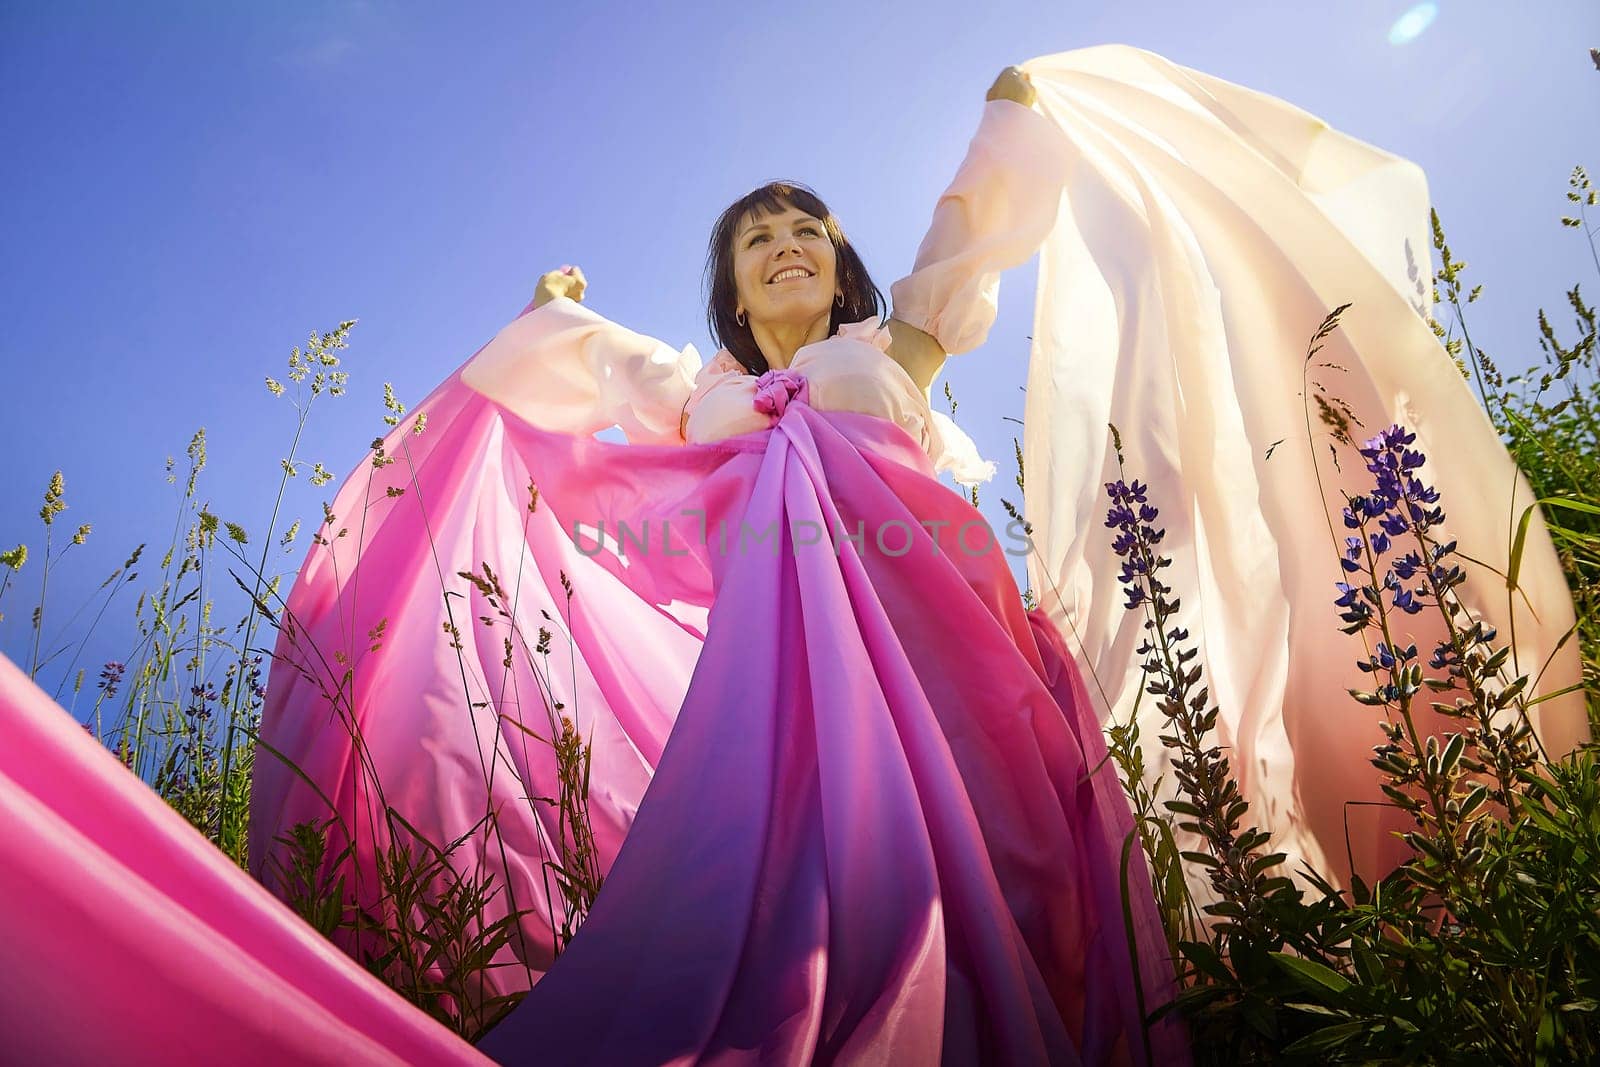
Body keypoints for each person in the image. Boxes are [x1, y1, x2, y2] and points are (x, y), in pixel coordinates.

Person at [250, 61, 1188, 1065]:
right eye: (758, 239)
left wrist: (1011, 116)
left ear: (837, 262)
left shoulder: (895, 344)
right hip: (787, 668)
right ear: (734, 290)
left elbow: (968, 231)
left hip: (939, 630)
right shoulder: (698, 400)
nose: (786, 245)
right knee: (812, 884)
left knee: (1001, 851)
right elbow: (598, 362)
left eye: (806, 231)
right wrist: (549, 309)